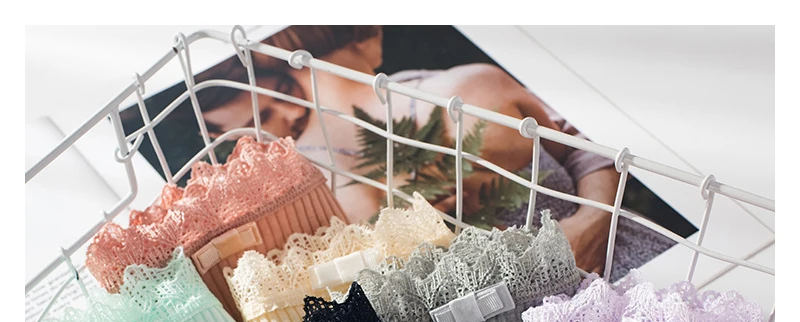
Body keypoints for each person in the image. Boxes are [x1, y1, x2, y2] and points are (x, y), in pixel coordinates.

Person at [197, 26, 674, 277]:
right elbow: (589, 148)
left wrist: (592, 222)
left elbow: (584, 144)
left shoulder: (315, 188)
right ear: (369, 35)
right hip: (644, 263)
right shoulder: (474, 85)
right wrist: (590, 221)